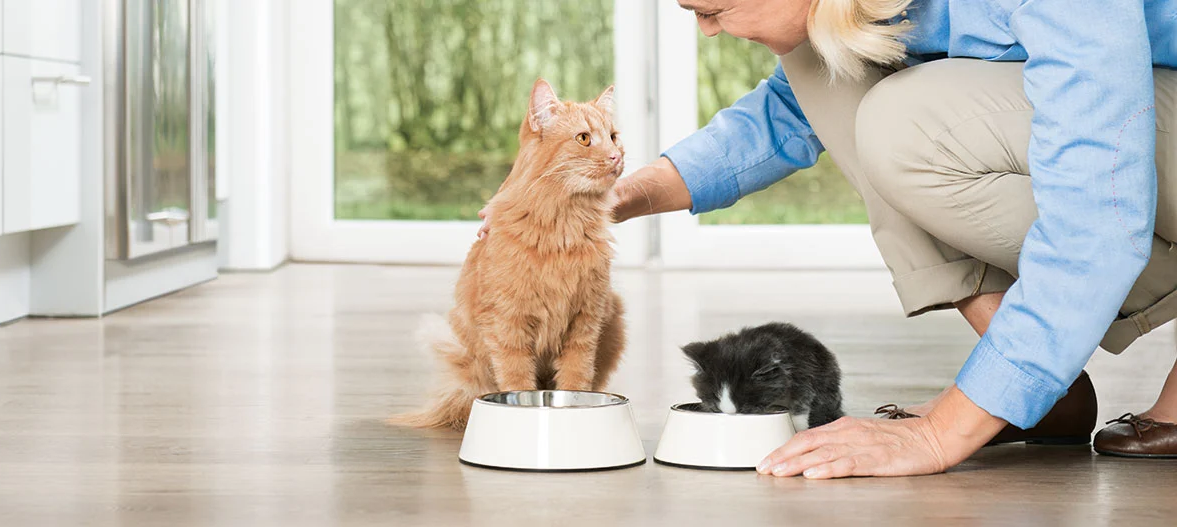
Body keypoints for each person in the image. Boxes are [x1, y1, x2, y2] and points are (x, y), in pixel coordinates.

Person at [480, 0, 1177, 478]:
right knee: (824, 62)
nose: (710, 34)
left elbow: (1100, 211)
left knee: (904, 122)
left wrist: (938, 436)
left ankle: (1014, 382)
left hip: (1128, 155)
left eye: (710, 12)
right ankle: (1033, 383)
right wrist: (618, 195)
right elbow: (786, 115)